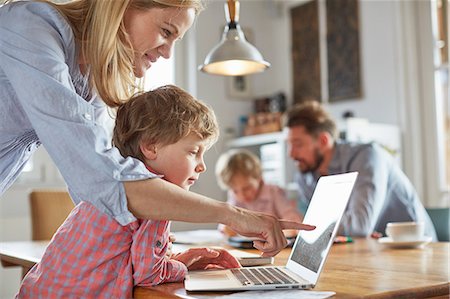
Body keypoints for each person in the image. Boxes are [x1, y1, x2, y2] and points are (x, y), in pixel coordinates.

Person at [0, 0, 314, 256]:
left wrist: (164, 257)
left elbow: (102, 183)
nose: (168, 52)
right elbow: (101, 178)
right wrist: (233, 213)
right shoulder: (30, 26)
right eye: (166, 31)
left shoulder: (89, 81)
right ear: (121, 6)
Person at [17, 85, 242, 297]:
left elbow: (130, 260)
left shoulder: (110, 186)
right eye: (193, 151)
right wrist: (181, 267)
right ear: (151, 146)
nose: (202, 165)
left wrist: (177, 259)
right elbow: (149, 275)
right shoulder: (156, 200)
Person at [285, 101, 437, 240]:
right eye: (289, 145)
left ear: (324, 141)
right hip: (370, 250)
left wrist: (311, 225)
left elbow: (359, 227)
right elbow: (313, 226)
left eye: (298, 144)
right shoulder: (305, 176)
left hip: (415, 248)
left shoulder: (367, 157)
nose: (291, 154)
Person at [215, 149, 302, 238]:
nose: (242, 195)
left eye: (247, 188)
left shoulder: (273, 192)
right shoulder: (235, 198)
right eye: (235, 190)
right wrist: (227, 228)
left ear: (259, 177)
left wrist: (289, 228)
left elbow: (291, 218)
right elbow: (225, 223)